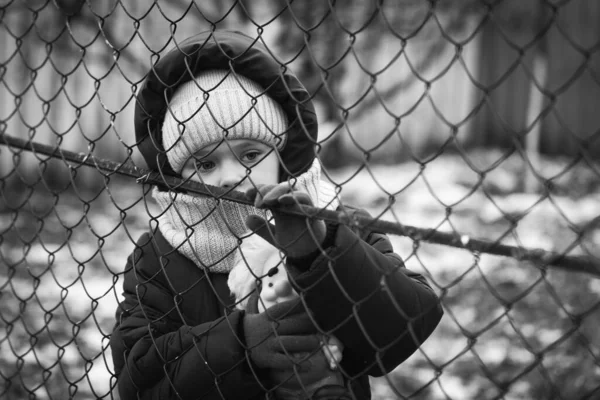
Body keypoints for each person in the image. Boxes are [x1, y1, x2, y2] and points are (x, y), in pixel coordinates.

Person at [110, 30, 443, 400]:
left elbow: (405, 328)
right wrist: (241, 343)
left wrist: (322, 252)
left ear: (281, 155)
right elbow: (137, 381)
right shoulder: (159, 254)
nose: (231, 175)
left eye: (250, 154)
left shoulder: (336, 222)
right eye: (205, 163)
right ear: (177, 174)